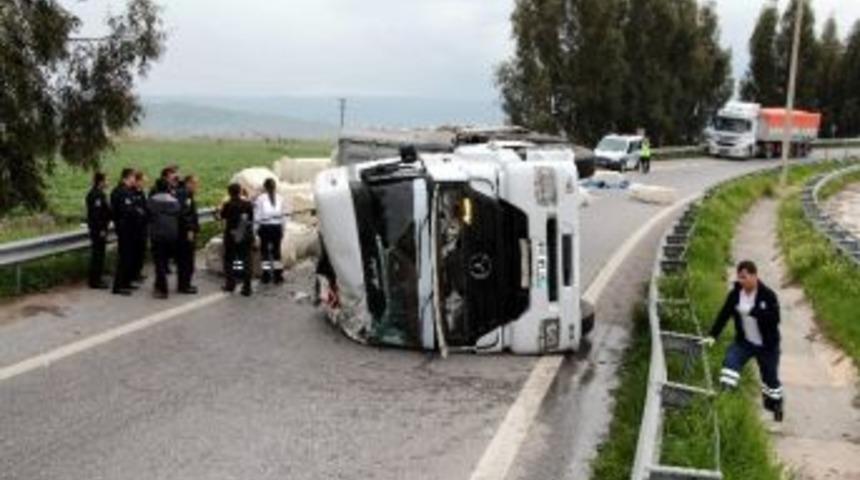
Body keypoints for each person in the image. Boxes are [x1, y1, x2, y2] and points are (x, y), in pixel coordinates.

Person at [702, 260, 784, 421]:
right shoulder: (735, 295)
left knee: (770, 381)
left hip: (767, 346)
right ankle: (725, 401)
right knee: (730, 363)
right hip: (744, 343)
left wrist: (753, 311)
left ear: (754, 276)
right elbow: (724, 315)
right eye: (739, 278)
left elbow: (775, 319)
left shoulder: (768, 295)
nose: (741, 281)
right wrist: (712, 336)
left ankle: (775, 406)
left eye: (744, 277)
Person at [147, 179, 181, 299]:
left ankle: (162, 289)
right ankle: (158, 285)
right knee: (165, 261)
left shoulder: (152, 201)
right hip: (172, 234)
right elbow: (178, 212)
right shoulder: (175, 201)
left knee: (159, 262)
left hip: (158, 234)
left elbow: (147, 215)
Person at [221, 183, 254, 296]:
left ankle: (231, 284)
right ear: (240, 191)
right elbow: (251, 219)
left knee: (230, 260)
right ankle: (247, 287)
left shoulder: (228, 205)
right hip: (244, 234)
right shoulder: (248, 204)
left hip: (231, 235)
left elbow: (222, 216)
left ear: (229, 193)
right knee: (245, 259)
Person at [110, 168, 138, 295]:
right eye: (133, 177)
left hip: (130, 229)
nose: (134, 180)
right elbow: (126, 211)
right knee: (124, 257)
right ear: (126, 177)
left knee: (129, 257)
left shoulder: (128, 191)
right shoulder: (120, 192)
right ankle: (118, 286)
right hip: (124, 229)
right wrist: (136, 212)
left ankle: (126, 282)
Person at [254, 178, 287, 284]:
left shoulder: (260, 199)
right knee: (277, 252)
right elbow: (284, 216)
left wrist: (254, 230)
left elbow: (257, 216)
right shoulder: (280, 198)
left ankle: (266, 275)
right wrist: (283, 229)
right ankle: (278, 275)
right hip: (277, 227)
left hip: (265, 228)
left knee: (265, 253)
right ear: (275, 187)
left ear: (265, 187)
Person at [85, 172, 111, 289]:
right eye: (106, 180)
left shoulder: (99, 194)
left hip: (99, 228)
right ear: (101, 182)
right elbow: (96, 215)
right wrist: (101, 229)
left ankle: (97, 278)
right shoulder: (96, 195)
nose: (107, 182)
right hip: (97, 230)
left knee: (100, 254)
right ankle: (95, 281)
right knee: (98, 255)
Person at [176, 175, 200, 294]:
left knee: (186, 260)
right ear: (188, 183)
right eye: (195, 183)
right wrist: (190, 229)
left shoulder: (185, 193)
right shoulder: (185, 194)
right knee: (186, 260)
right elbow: (185, 214)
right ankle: (184, 286)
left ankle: (185, 284)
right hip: (185, 233)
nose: (197, 186)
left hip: (185, 231)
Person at [130, 170, 149, 283]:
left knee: (141, 251)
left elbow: (145, 208)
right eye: (142, 181)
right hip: (135, 228)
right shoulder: (131, 193)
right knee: (134, 252)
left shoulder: (142, 192)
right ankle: (132, 274)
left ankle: (138, 272)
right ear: (137, 181)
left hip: (143, 227)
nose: (143, 183)